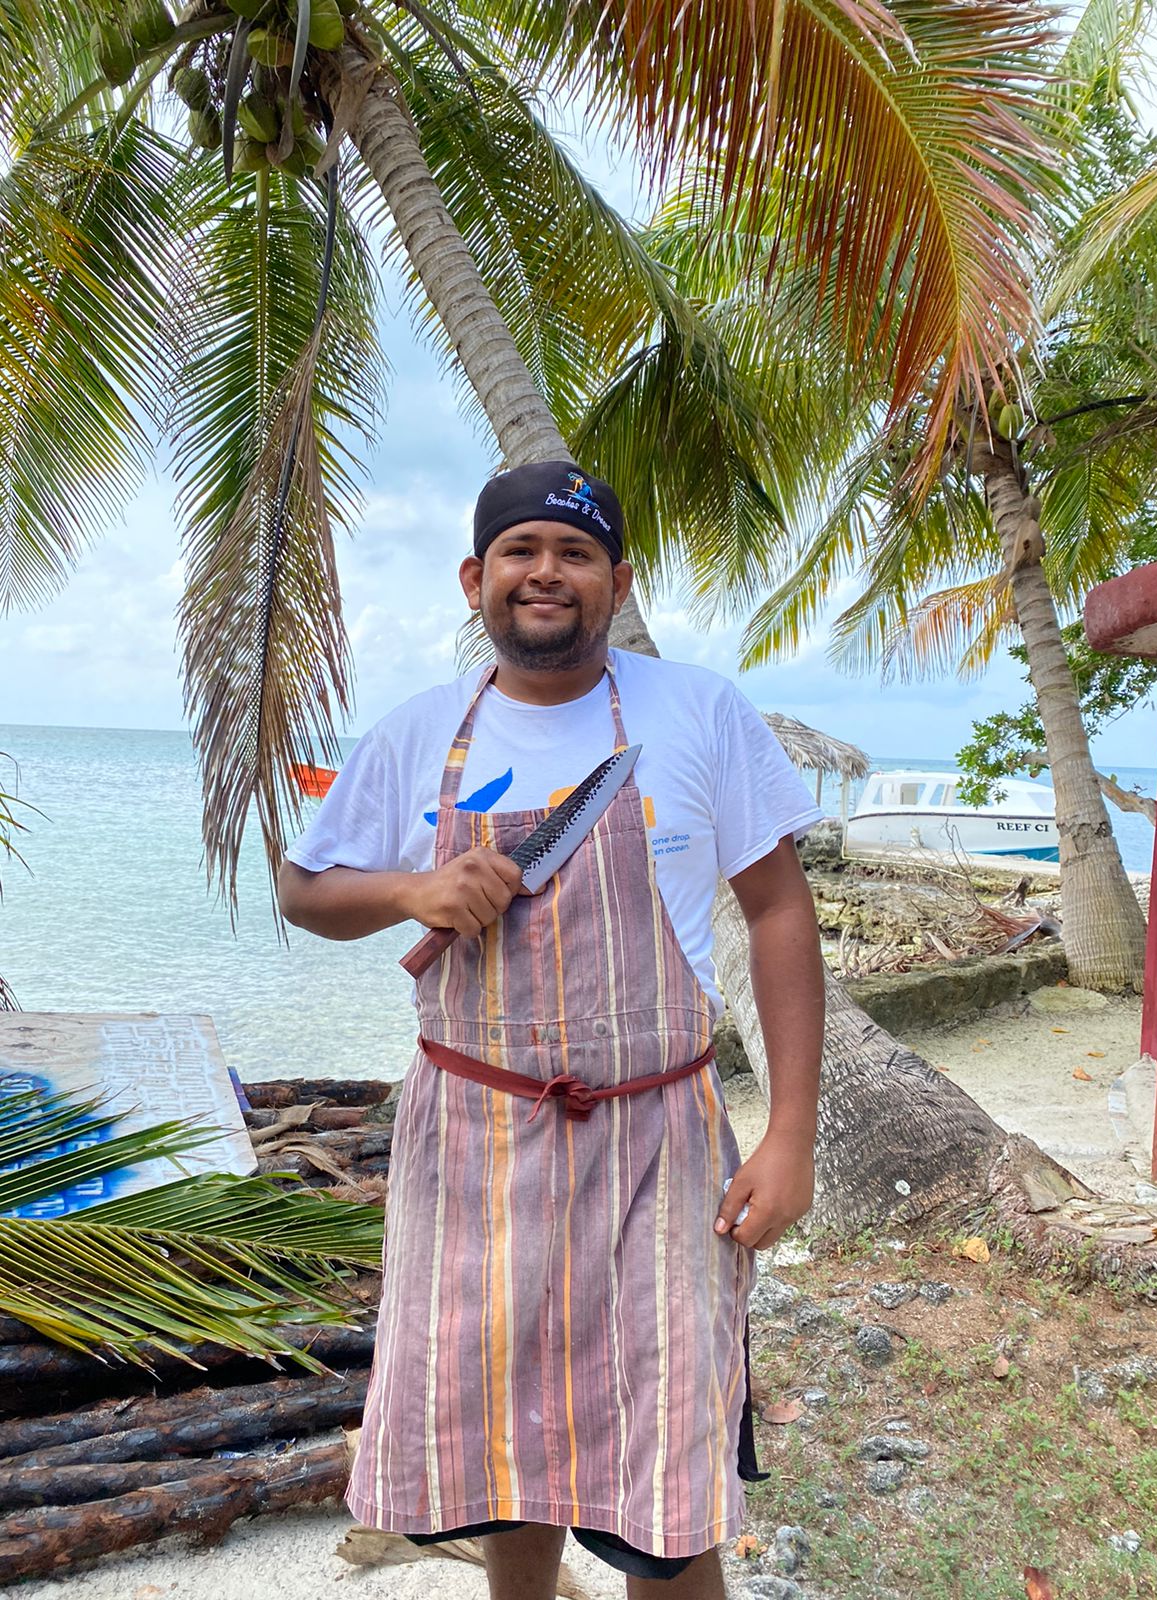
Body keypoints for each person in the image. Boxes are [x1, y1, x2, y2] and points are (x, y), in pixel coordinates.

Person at [278, 461, 826, 1600]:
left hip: (658, 1140)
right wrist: (408, 893)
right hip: (473, 1148)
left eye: (576, 554)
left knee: (667, 1485)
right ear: (477, 578)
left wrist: (791, 1135)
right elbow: (304, 888)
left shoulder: (698, 713)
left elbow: (777, 911)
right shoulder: (416, 733)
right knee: (500, 1455)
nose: (547, 573)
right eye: (522, 551)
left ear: (617, 583)